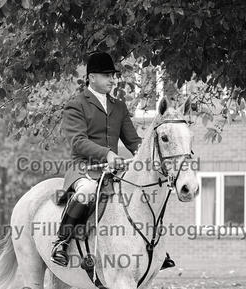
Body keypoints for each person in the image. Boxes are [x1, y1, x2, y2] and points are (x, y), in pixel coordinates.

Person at [51, 52, 174, 271]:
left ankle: (154, 250)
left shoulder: (118, 106)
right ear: (91, 77)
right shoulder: (76, 105)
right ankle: (62, 242)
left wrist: (145, 154)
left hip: (113, 170)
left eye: (112, 75)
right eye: (106, 75)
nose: (111, 79)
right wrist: (107, 154)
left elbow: (133, 140)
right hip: (84, 167)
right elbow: (78, 141)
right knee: (87, 190)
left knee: (142, 189)